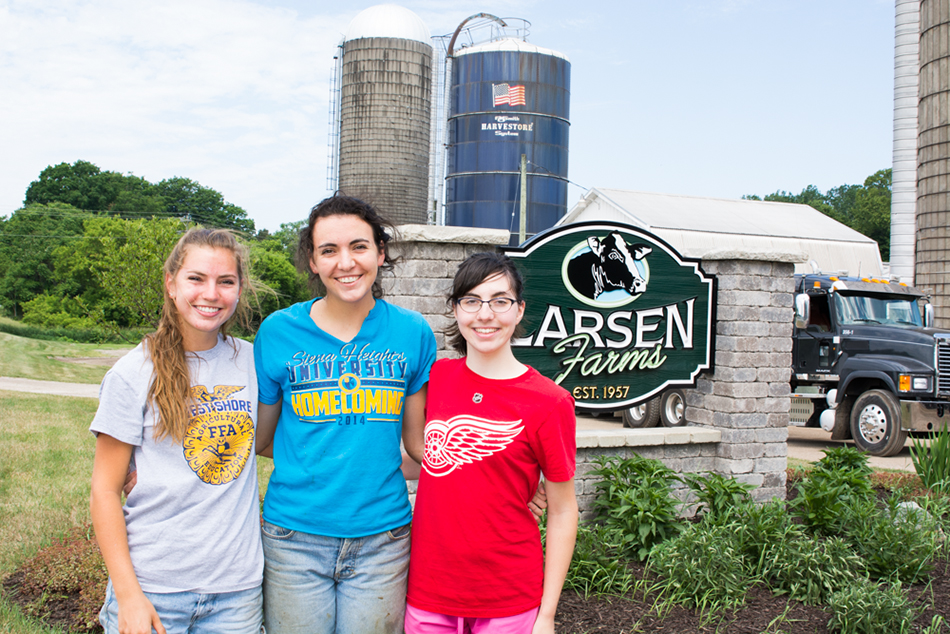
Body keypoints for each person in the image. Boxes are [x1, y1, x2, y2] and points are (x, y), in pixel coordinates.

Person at [254, 194, 436, 634]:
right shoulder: (279, 332)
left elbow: (419, 443)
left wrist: (507, 476)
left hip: (383, 538)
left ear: (380, 252)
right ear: (313, 262)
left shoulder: (412, 333)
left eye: (359, 246)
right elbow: (259, 439)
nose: (346, 262)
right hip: (293, 537)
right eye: (329, 250)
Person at [90, 228, 264, 634]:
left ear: (239, 289)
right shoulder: (133, 373)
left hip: (235, 593)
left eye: (226, 281)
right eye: (196, 279)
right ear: (171, 284)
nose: (211, 293)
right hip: (153, 588)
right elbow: (104, 491)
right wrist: (129, 594)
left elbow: (278, 441)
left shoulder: (252, 363)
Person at [406, 252, 579, 634]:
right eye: (471, 300)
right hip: (429, 592)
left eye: (500, 301)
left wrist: (546, 615)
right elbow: (422, 455)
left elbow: (565, 511)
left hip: (508, 596)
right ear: (455, 310)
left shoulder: (550, 402)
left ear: (518, 311)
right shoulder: (435, 379)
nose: (485, 315)